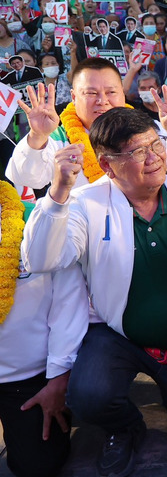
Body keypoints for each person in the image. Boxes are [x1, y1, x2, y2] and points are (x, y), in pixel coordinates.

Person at [22, 108, 167, 477]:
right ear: (107, 164)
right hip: (118, 334)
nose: (154, 158)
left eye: (155, 145)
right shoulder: (84, 202)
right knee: (89, 396)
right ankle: (125, 427)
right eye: (136, 152)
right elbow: (41, 259)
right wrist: (59, 192)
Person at [0, 179, 86, 477]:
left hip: (26, 378)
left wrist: (59, 378)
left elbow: (68, 304)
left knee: (37, 466)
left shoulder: (39, 221)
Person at [7, 58, 167, 193]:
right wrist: (37, 136)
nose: (102, 101)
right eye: (91, 93)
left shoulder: (145, 128)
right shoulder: (56, 140)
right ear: (73, 97)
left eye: (111, 92)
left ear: (122, 93)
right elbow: (26, 178)